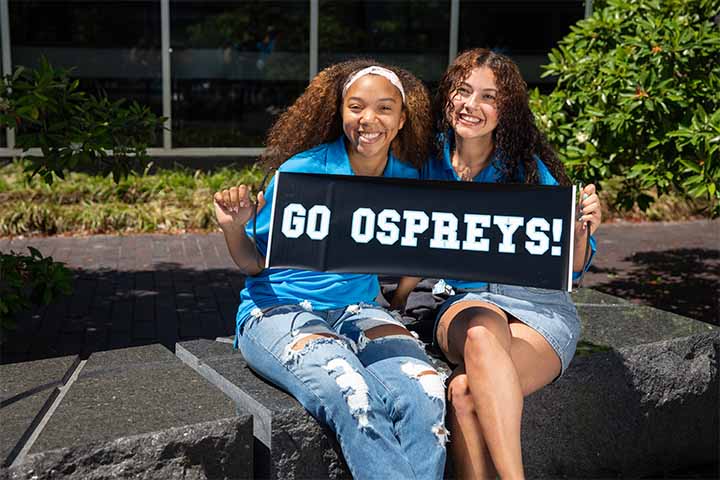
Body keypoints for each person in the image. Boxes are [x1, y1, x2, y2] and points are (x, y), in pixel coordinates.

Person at [213, 59, 447, 479]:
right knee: (351, 389)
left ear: (401, 119)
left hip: (359, 309)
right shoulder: (302, 172)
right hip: (280, 310)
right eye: (356, 106)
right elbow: (253, 262)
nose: (368, 119)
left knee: (426, 391)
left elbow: (417, 250)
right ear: (341, 112)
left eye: (383, 108)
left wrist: (394, 300)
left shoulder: (405, 180)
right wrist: (234, 228)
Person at [390, 48, 602, 479]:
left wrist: (581, 232)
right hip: (464, 302)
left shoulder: (526, 170)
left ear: (505, 111)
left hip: (538, 310)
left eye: (489, 97)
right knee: (484, 331)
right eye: (463, 91)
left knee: (465, 392)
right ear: (447, 94)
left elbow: (571, 270)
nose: (472, 105)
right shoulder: (423, 161)